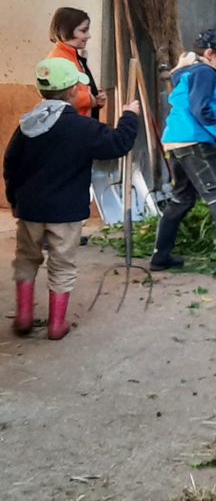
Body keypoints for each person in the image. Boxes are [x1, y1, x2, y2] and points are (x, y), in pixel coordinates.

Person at [4, 58, 139, 339]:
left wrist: (14, 200)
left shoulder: (26, 125)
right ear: (72, 92)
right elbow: (118, 144)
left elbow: (10, 164)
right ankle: (56, 325)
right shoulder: (81, 127)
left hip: (30, 209)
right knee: (62, 264)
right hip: (66, 212)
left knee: (26, 259)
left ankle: (25, 317)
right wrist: (129, 116)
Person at [149, 30, 216, 277]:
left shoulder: (188, 72)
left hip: (177, 141)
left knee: (182, 198)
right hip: (193, 142)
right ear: (209, 54)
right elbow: (201, 109)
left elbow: (191, 105)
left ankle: (160, 256)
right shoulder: (205, 72)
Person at [47, 7, 107, 119]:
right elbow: (60, 97)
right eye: (83, 31)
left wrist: (95, 97)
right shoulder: (57, 60)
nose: (88, 36)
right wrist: (90, 99)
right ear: (65, 31)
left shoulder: (74, 56)